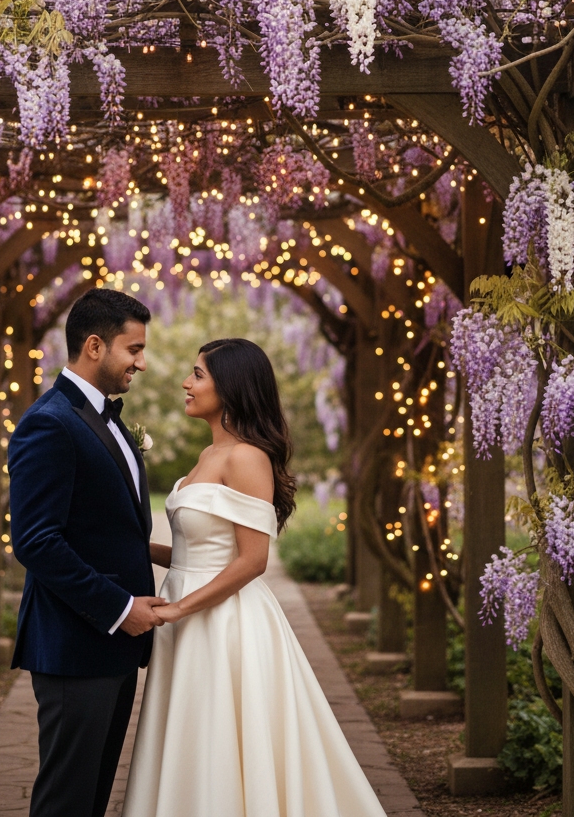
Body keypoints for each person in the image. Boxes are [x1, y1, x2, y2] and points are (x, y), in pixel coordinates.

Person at [123, 338, 389, 817]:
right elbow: (191, 554)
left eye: (198, 375)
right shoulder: (208, 456)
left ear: (232, 387)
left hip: (224, 621)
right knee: (191, 730)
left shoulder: (246, 457)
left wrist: (179, 609)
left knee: (223, 730)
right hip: (186, 614)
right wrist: (129, 549)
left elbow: (252, 560)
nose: (186, 383)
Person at [7, 288, 166, 817]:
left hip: (111, 646)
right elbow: (36, 541)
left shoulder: (104, 417)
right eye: (134, 349)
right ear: (95, 346)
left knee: (93, 796)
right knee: (67, 800)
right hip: (76, 644)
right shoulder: (49, 422)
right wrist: (122, 608)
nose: (141, 363)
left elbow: (103, 526)